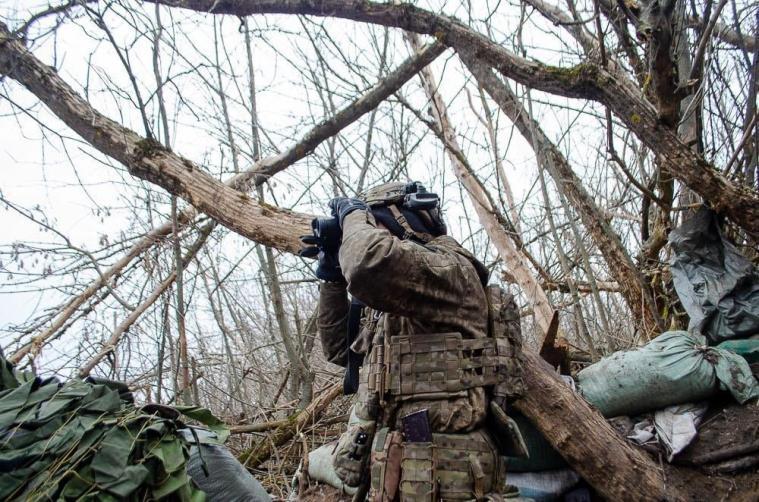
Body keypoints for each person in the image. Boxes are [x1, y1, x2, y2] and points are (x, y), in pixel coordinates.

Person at [303, 181, 525, 501]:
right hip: (399, 464)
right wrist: (332, 279)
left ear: (401, 219)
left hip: (451, 470)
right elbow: (341, 351)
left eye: (373, 223)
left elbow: (367, 262)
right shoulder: (399, 307)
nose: (366, 231)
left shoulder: (450, 268)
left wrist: (352, 214)